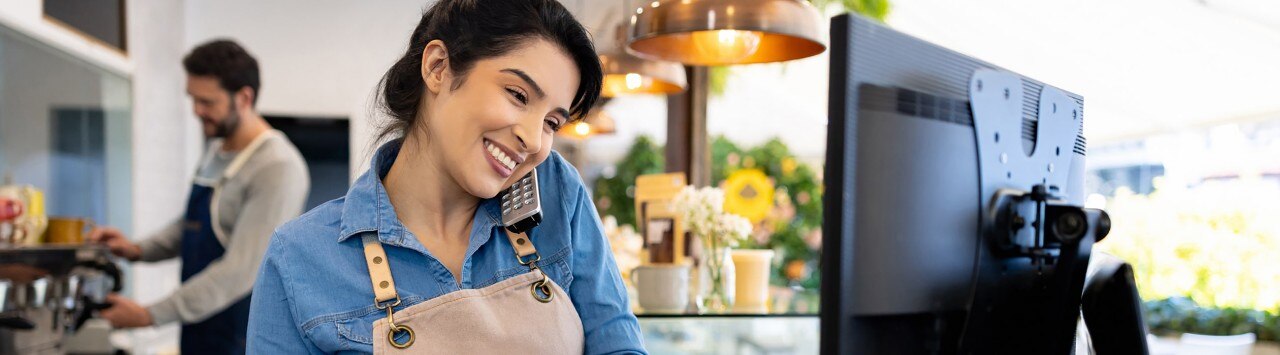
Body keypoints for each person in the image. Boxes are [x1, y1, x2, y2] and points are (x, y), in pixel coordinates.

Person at [245, 0, 646, 353]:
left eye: (551, 122)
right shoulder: (298, 258)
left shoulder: (555, 190)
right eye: (518, 95)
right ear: (438, 67)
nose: (531, 138)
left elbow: (617, 344)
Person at [89, 39, 310, 354]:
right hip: (199, 331)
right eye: (192, 99)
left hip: (242, 336)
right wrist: (135, 249)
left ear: (244, 97)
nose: (197, 111)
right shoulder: (217, 151)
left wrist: (147, 315)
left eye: (207, 102)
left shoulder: (277, 166)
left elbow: (240, 271)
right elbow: (190, 227)